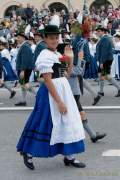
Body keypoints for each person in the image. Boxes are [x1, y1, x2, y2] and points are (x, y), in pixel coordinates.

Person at [17, 25, 86, 170]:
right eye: (51, 38)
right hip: (50, 93)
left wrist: (71, 59)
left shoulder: (55, 54)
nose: (54, 40)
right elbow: (48, 80)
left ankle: (70, 156)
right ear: (45, 39)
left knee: (66, 121)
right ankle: (28, 152)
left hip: (63, 90)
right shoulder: (45, 55)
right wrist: (59, 102)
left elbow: (67, 74)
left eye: (56, 38)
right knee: (44, 122)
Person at [96, 26, 120, 97]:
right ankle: (101, 91)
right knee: (102, 75)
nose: (97, 33)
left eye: (99, 31)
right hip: (106, 60)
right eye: (97, 31)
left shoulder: (105, 39)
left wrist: (102, 62)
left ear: (103, 32)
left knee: (106, 76)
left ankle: (118, 88)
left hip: (105, 60)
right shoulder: (103, 38)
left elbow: (104, 52)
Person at [15, 33, 36, 106]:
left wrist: (22, 70)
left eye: (18, 38)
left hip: (24, 69)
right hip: (23, 69)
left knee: (25, 84)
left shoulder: (25, 46)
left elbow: (25, 60)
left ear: (23, 38)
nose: (17, 39)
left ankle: (37, 96)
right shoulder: (24, 46)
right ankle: (23, 100)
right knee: (23, 85)